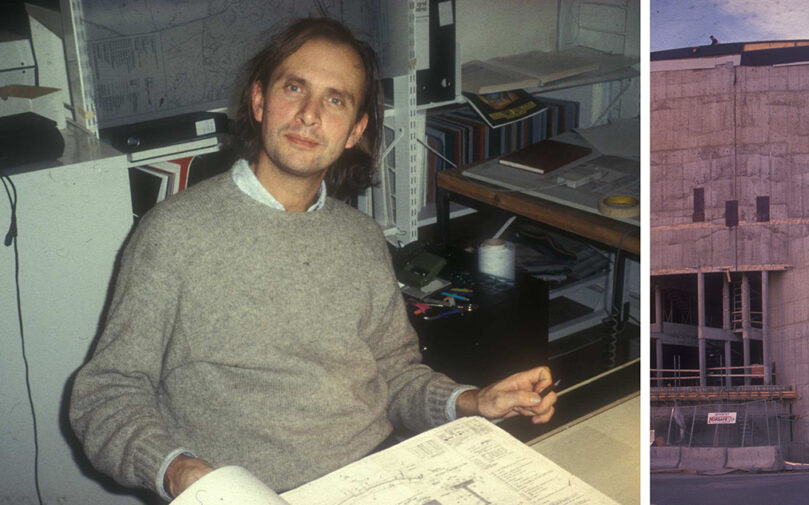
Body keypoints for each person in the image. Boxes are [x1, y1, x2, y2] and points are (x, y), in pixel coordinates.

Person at [68, 18, 557, 499]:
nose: (308, 115)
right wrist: (180, 472)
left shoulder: (363, 240)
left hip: (380, 472)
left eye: (335, 100)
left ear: (354, 131)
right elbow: (106, 396)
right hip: (245, 490)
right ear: (259, 101)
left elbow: (397, 374)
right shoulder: (171, 235)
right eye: (294, 88)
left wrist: (471, 400)